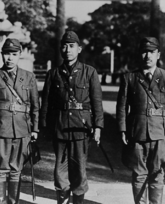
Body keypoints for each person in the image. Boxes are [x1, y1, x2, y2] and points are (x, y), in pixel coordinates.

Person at [40, 31, 104, 204]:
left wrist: (98, 127)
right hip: (59, 127)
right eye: (64, 45)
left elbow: (97, 103)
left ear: (79, 49)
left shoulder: (89, 72)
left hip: (80, 128)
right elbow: (45, 103)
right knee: (60, 171)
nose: (67, 49)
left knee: (78, 171)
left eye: (72, 46)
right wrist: (43, 127)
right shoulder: (53, 74)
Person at [116, 37, 165, 204]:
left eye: (152, 52)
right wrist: (123, 129)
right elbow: (122, 107)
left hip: (161, 134)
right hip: (137, 133)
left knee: (158, 173)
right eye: (144, 52)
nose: (148, 56)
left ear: (158, 54)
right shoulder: (129, 78)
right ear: (140, 54)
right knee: (139, 174)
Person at [0, 38, 39, 204]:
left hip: (22, 129)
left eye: (14, 54)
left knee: (16, 170)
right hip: (0, 129)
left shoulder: (29, 77)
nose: (10, 58)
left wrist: (35, 129)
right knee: (0, 170)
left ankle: (13, 202)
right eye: (7, 54)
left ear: (19, 55)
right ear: (2, 55)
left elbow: (35, 106)